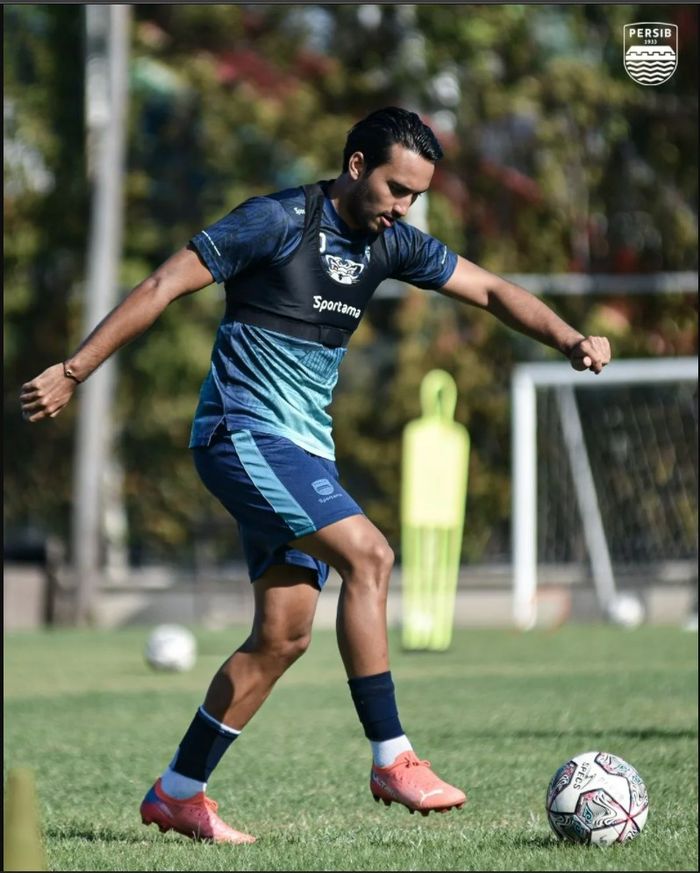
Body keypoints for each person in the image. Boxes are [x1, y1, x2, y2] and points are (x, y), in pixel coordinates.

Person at [20, 107, 611, 844]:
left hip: (300, 450)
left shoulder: (390, 244)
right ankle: (393, 757)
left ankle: (178, 790)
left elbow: (490, 290)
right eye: (397, 189)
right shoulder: (274, 221)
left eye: (416, 197)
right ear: (357, 166)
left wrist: (567, 337)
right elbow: (161, 286)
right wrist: (74, 370)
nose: (404, 208)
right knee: (372, 554)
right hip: (240, 434)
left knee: (283, 635)